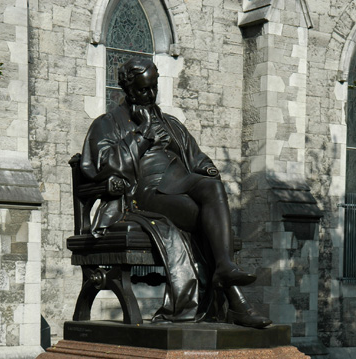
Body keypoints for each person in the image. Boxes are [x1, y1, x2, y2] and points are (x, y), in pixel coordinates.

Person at [81, 57, 270, 328]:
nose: (150, 95)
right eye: (143, 90)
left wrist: (208, 169)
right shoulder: (107, 123)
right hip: (144, 193)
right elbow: (103, 165)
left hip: (181, 182)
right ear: (127, 88)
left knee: (212, 185)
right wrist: (142, 137)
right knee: (202, 217)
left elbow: (196, 157)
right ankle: (237, 301)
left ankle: (225, 267)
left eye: (153, 88)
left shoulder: (170, 123)